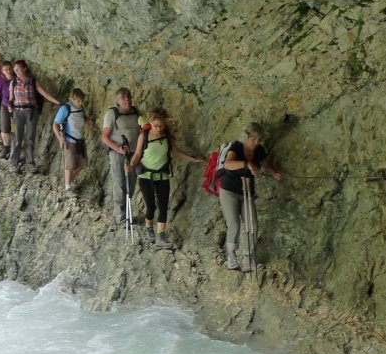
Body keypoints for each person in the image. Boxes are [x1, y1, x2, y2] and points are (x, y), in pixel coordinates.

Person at [126, 107, 202, 249]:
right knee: (150, 205)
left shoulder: (167, 136)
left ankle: (160, 236)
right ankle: (149, 229)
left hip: (162, 175)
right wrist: (131, 166)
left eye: (161, 126)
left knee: (163, 205)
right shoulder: (144, 136)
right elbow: (137, 155)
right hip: (146, 175)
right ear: (150, 123)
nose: (159, 129)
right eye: (156, 126)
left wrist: (193, 159)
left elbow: (176, 152)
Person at [218, 123, 282, 271]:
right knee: (234, 224)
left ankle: (248, 259)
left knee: (252, 225)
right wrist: (247, 164)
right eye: (254, 140)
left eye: (259, 140)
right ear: (247, 137)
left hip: (246, 191)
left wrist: (274, 172)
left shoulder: (258, 150)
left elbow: (264, 161)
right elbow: (228, 164)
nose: (256, 143)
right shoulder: (236, 147)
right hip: (229, 191)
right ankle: (231, 257)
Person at [8, 60, 61, 174]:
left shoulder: (32, 81)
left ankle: (30, 163)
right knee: (16, 138)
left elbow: (44, 93)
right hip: (17, 112)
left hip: (31, 112)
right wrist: (10, 110)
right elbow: (11, 98)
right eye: (15, 69)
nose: (16, 71)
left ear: (24, 68)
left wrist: (57, 102)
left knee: (30, 138)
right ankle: (13, 163)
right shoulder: (13, 82)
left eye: (18, 68)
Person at [100, 87, 142, 225]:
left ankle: (128, 215)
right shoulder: (112, 114)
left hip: (134, 154)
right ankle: (120, 216)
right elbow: (105, 137)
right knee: (120, 184)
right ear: (118, 100)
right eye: (123, 97)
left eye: (128, 96)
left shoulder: (136, 113)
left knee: (131, 184)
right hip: (118, 155)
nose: (127, 99)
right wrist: (118, 148)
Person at [54, 88, 92, 197]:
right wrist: (59, 138)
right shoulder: (65, 108)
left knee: (82, 163)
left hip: (79, 139)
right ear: (72, 99)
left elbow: (81, 117)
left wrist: (87, 120)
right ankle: (67, 189)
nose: (81, 103)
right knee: (69, 165)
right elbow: (55, 124)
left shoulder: (81, 108)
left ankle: (69, 179)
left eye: (82, 100)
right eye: (78, 101)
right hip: (69, 140)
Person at [0, 61, 15, 158]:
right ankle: (6, 148)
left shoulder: (17, 77)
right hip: (5, 105)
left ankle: (13, 148)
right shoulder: (0, 79)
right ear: (2, 71)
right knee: (4, 127)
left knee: (14, 129)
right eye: (6, 70)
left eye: (10, 69)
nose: (8, 71)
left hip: (17, 106)